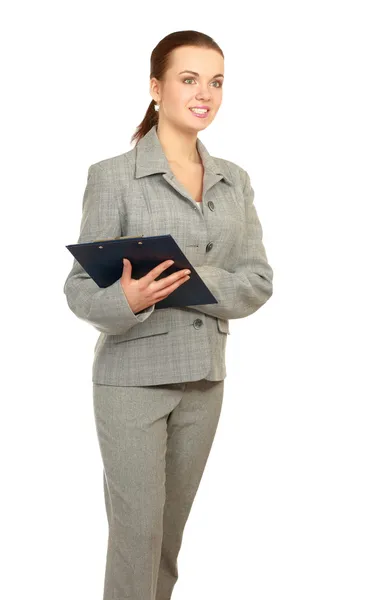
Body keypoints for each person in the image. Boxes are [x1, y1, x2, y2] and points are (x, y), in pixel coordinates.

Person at [63, 29, 274, 600]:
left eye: (216, 82)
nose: (204, 93)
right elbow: (81, 287)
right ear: (156, 88)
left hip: (204, 381)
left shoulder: (235, 181)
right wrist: (123, 301)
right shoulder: (113, 176)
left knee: (166, 544)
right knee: (136, 539)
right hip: (131, 381)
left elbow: (257, 281)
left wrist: (186, 282)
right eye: (189, 79)